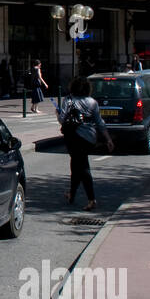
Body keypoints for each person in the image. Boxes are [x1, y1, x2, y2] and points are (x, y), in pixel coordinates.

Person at [57, 77, 113, 210]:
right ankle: (72, 194)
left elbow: (62, 119)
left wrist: (57, 113)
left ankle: (91, 199)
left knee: (82, 167)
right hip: (89, 138)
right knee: (76, 165)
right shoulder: (92, 102)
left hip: (74, 138)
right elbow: (99, 122)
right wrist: (108, 139)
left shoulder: (69, 100)